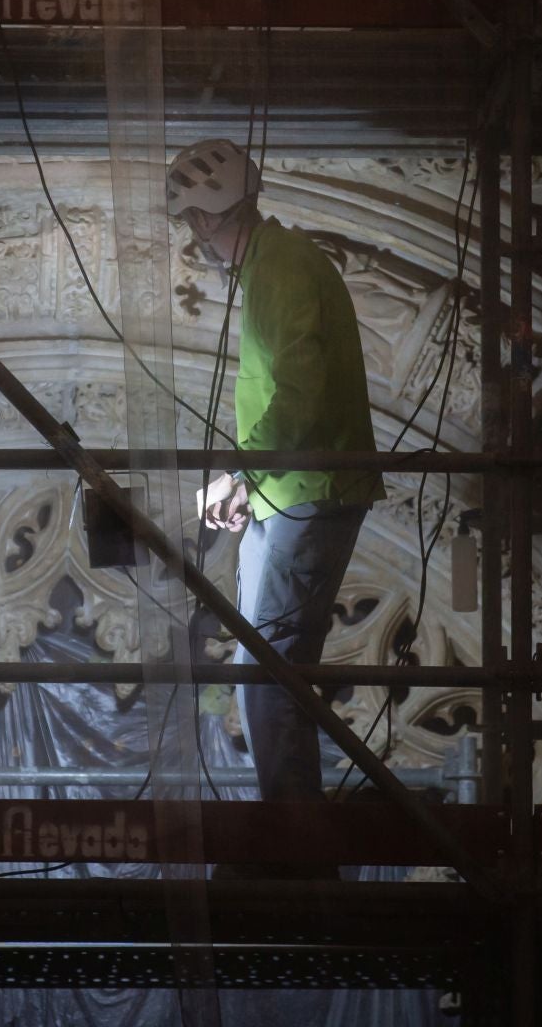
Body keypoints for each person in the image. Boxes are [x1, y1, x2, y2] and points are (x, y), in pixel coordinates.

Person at [167, 138, 384, 804]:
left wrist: (243, 473)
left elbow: (300, 391)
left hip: (308, 498)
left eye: (191, 224)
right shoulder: (275, 264)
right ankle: (289, 836)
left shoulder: (282, 269)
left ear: (204, 219)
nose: (194, 237)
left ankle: (292, 844)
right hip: (290, 493)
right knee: (260, 669)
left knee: (270, 675)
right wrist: (250, 482)